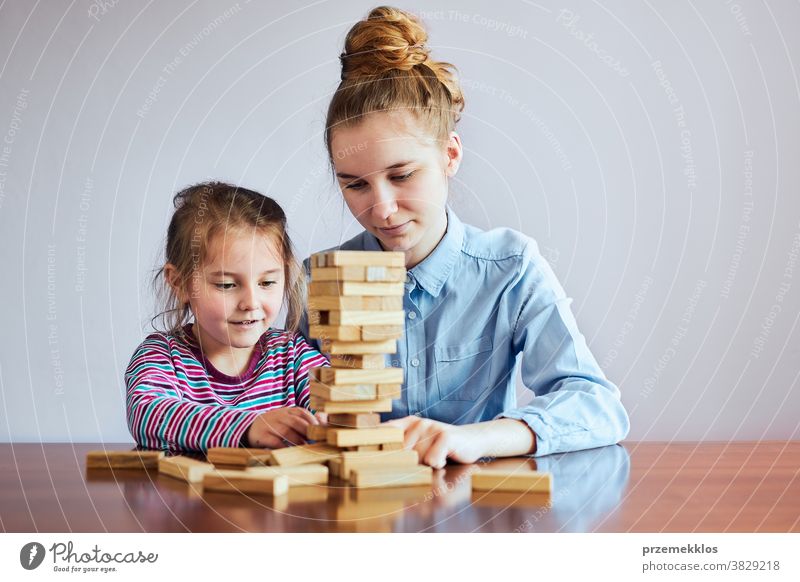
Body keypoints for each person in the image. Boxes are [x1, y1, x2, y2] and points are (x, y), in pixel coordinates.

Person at [304, 6, 630, 468]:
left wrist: (473, 439)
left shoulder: (511, 268)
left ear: (450, 156)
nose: (381, 208)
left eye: (402, 175)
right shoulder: (318, 279)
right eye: (354, 184)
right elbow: (281, 400)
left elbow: (597, 407)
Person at [126, 181, 326, 452]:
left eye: (267, 283)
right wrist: (248, 427)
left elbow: (338, 402)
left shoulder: (293, 354)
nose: (251, 303)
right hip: (188, 495)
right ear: (180, 283)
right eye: (227, 285)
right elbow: (148, 416)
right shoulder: (161, 357)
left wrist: (335, 420)